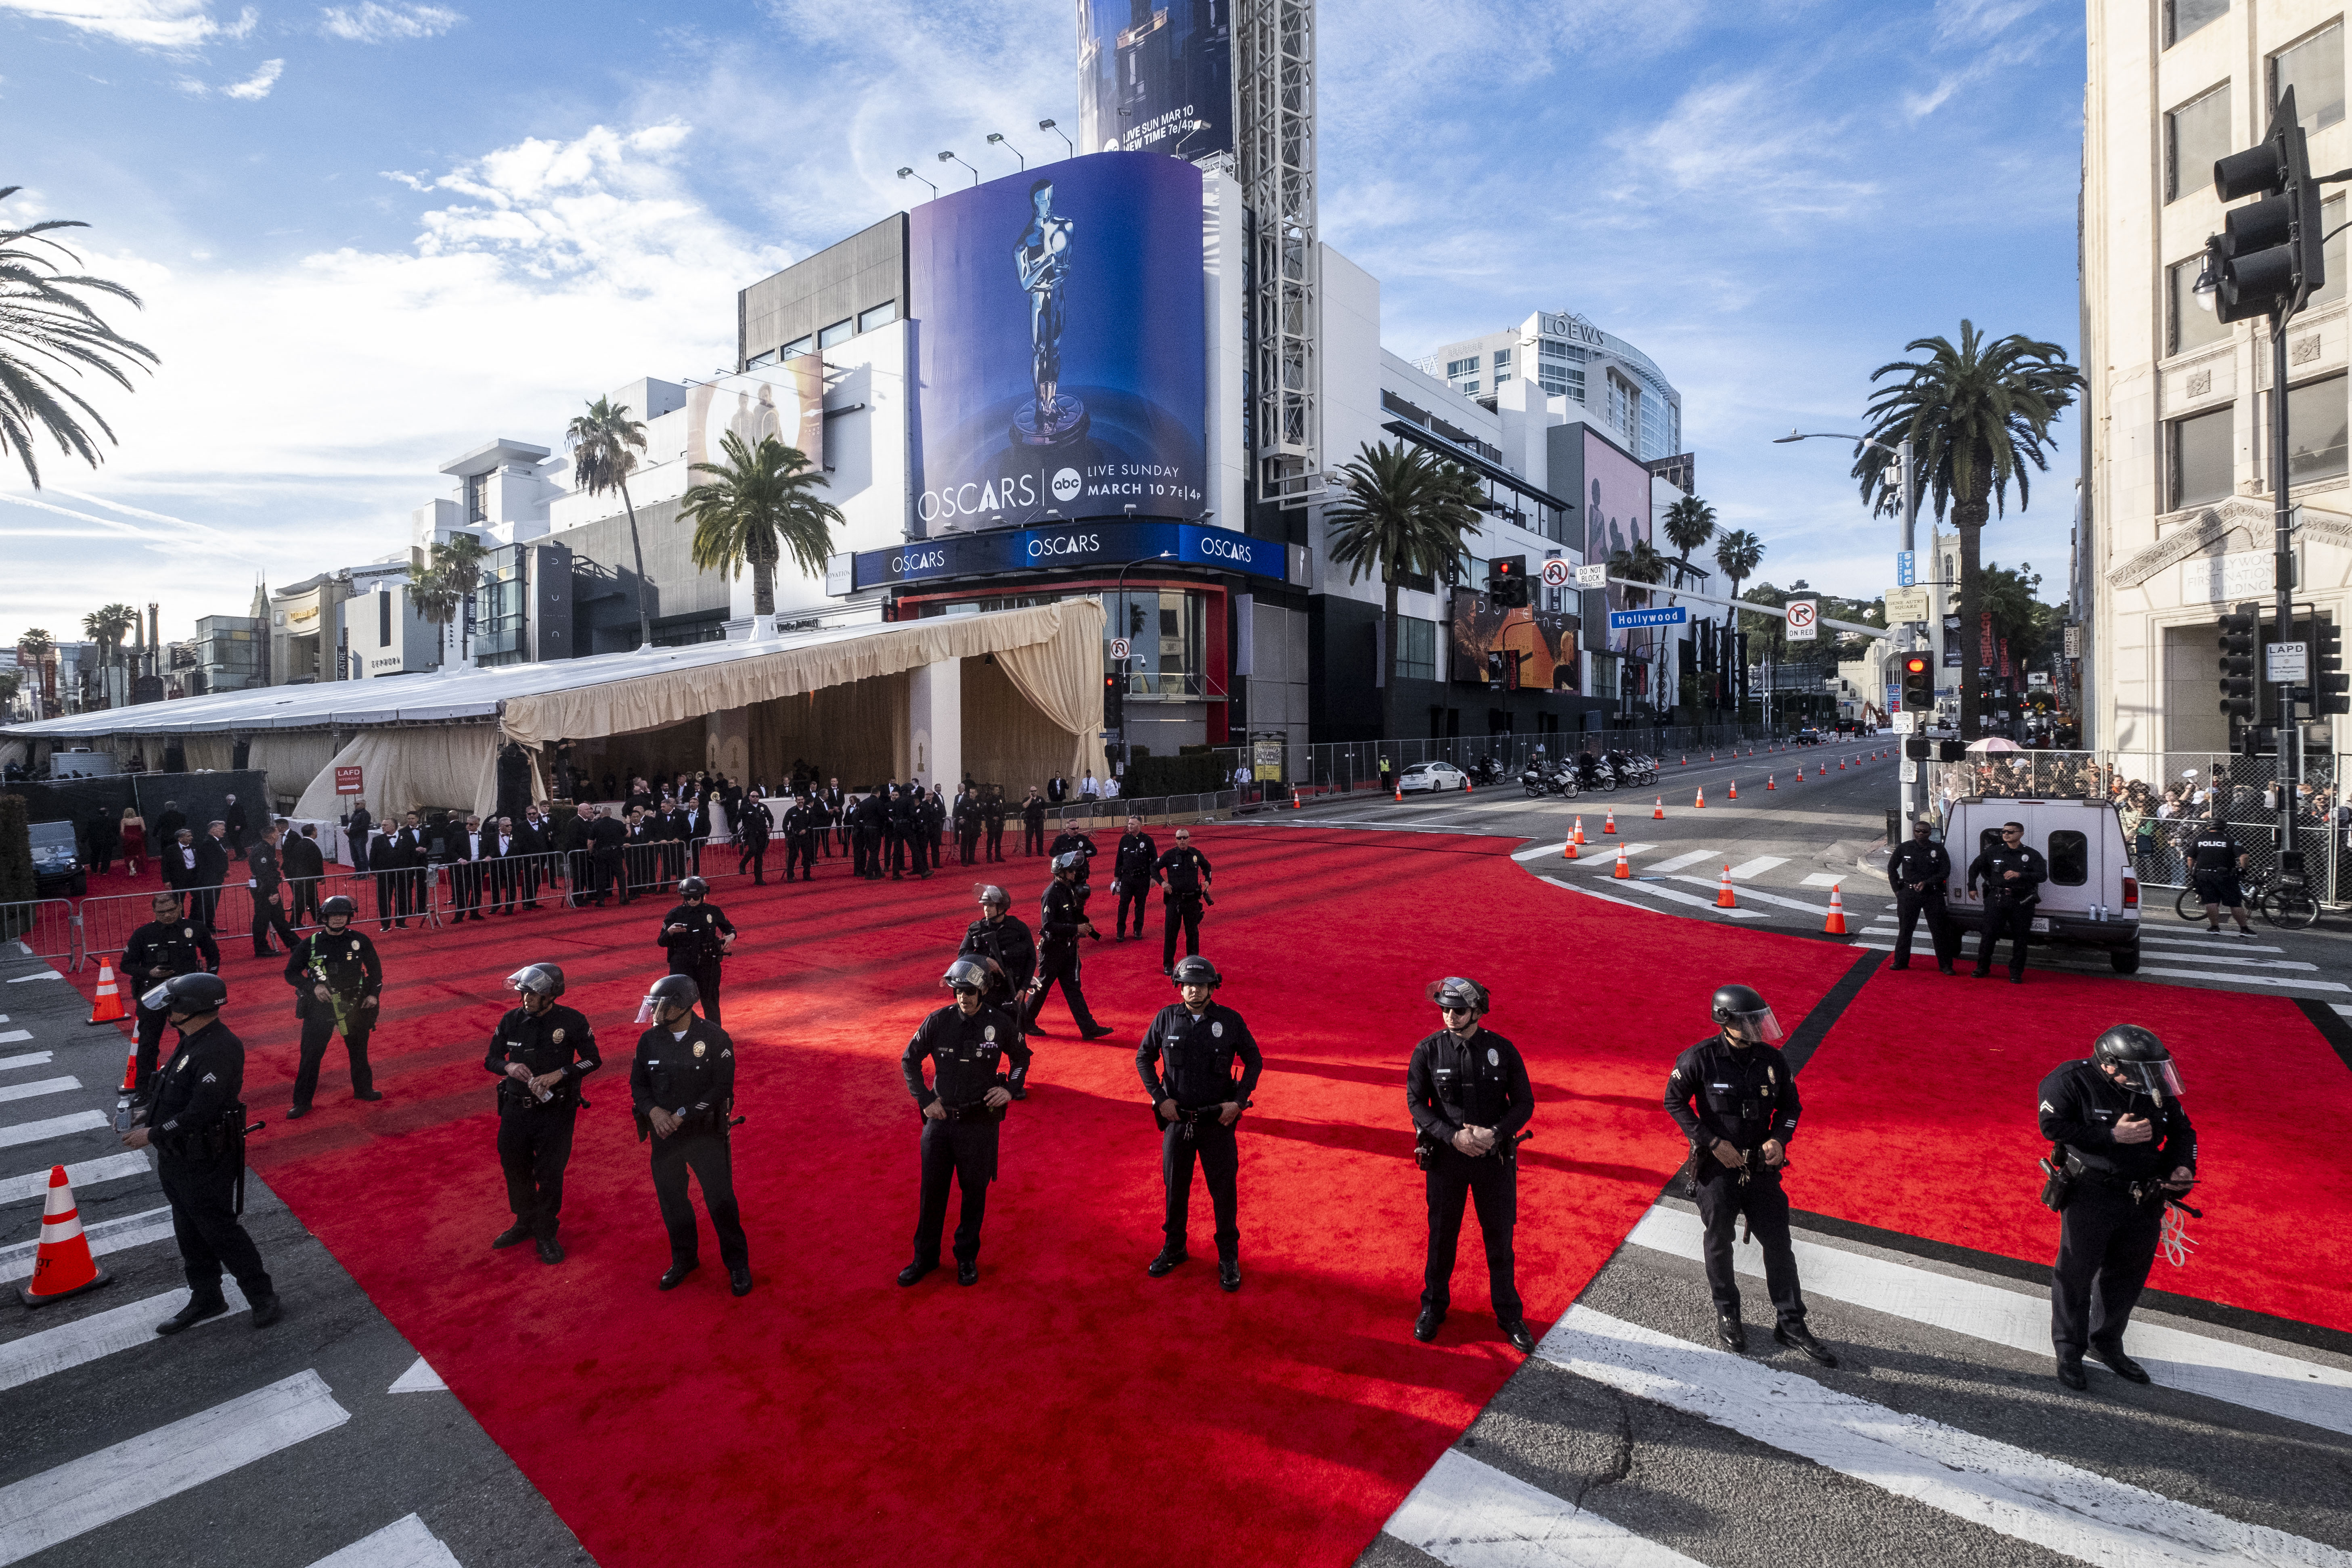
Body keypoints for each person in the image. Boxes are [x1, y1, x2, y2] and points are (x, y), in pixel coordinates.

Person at [1663, 983, 1836, 1365]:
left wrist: (1780, 1138)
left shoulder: (1772, 1061)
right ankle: (1728, 1312)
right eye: (1750, 1021)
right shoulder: (1699, 1058)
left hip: (1760, 1169)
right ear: (1725, 1021)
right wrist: (1709, 1141)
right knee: (1719, 1243)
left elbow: (1792, 1107)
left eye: (1761, 1019)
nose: (1759, 1027)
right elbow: (1673, 1100)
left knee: (1778, 1245)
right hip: (1717, 1169)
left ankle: (1790, 1323)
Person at [2038, 1025, 2198, 1391]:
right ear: (2108, 1065)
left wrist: (2183, 1167)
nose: (2148, 1080)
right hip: (2091, 1192)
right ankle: (2068, 1349)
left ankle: (2106, 1342)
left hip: (2145, 1194)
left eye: (2153, 1072)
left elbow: (2183, 1130)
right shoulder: (2069, 1080)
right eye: (2138, 1072)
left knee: (2126, 1275)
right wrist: (2111, 1135)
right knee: (2076, 1273)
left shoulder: (2153, 1082)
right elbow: (2052, 1126)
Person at [123, 972, 282, 1335]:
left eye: (173, 1005)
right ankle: (207, 1296)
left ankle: (261, 1295)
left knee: (220, 1230)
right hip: (178, 1157)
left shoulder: (218, 1048)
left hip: (206, 1158)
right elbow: (174, 1089)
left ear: (190, 1009)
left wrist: (153, 1132)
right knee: (188, 1231)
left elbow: (202, 1112)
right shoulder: (191, 1038)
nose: (168, 1011)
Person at [1406, 977, 1535, 1352]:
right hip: (1447, 1161)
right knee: (1441, 1238)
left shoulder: (1503, 1050)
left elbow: (1524, 1103)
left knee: (1500, 1240)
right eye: (1444, 1009)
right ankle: (1433, 1308)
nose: (1449, 1016)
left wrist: (1495, 1133)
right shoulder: (1427, 1051)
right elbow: (1416, 1103)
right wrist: (1453, 1137)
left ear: (1477, 1011)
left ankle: (1509, 1315)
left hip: (1492, 1161)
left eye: (1458, 1010)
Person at [898, 955, 1033, 1287]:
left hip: (979, 1124)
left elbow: (1021, 1059)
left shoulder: (999, 1023)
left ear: (983, 990)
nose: (963, 997)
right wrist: (926, 1101)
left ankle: (966, 1257)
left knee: (974, 1193)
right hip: (941, 1123)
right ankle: (925, 1258)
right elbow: (909, 1060)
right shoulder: (938, 1021)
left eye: (970, 991)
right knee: (932, 1193)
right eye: (959, 991)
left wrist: (1009, 1088)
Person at [1136, 956, 1262, 1292]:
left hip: (1216, 1124)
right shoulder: (1165, 1018)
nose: (1194, 990)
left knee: (1223, 1192)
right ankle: (1175, 1247)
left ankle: (1228, 1257)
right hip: (1178, 1123)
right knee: (1174, 1189)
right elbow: (1143, 1057)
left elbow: (1254, 1060)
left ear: (1212, 987)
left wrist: (1238, 1103)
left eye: (1201, 985)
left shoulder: (1229, 1021)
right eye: (1188, 985)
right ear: (1180, 987)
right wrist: (1159, 1097)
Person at [630, 975, 751, 1296]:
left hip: (704, 1135)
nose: (655, 1012)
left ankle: (737, 1263)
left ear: (682, 1005)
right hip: (664, 1136)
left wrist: (681, 1115)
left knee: (720, 1200)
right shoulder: (649, 1041)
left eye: (662, 1005)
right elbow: (639, 1085)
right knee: (673, 1201)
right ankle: (684, 1258)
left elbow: (721, 1088)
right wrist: (654, 1112)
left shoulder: (715, 1037)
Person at [484, 963, 600, 1265]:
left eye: (533, 994)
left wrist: (560, 1074)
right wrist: (508, 1067)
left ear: (551, 995)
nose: (525, 999)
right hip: (514, 1108)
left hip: (555, 1111)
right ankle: (525, 1221)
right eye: (524, 993)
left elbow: (593, 1060)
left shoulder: (573, 1021)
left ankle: (546, 1230)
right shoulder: (511, 1020)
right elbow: (492, 1059)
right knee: (514, 1165)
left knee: (549, 1172)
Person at [282, 895, 383, 1118]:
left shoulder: (361, 940)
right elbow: (290, 973)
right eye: (333, 915)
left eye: (343, 915)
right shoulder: (309, 944)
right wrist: (312, 988)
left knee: (359, 1051)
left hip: (354, 1003)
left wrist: (374, 995)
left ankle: (364, 1090)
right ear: (324, 917)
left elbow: (376, 971)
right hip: (321, 1006)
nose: (338, 919)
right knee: (311, 1056)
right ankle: (302, 1102)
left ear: (349, 917)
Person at [124, 892, 220, 1103]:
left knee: (191, 1041)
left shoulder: (194, 928)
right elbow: (126, 965)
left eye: (170, 911)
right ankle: (143, 1091)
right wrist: (150, 973)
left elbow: (213, 956)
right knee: (148, 1043)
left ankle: (190, 1084)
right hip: (154, 993)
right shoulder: (143, 934)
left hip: (186, 994)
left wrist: (208, 982)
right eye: (161, 912)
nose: (166, 915)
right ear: (154, 912)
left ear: (179, 908)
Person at [1025, 851, 1112, 1040]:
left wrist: (1081, 928)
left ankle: (1089, 1029)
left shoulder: (1067, 890)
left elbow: (1070, 917)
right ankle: (1024, 1021)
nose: (1075, 874)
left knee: (1073, 990)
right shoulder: (1051, 894)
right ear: (1060, 872)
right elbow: (1048, 925)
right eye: (1071, 871)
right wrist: (1076, 928)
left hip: (1068, 950)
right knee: (1042, 988)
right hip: (1054, 951)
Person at [1966, 820, 2047, 983]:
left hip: (2021, 901)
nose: (2006, 834)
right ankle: (1982, 968)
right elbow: (1975, 867)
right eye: (2004, 832)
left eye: (2011, 832)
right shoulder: (1994, 852)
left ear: (2021, 834)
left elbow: (2042, 876)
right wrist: (1972, 887)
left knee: (2021, 938)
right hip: (1997, 899)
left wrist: (2020, 875)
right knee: (1988, 935)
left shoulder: (2031, 855)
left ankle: (2016, 972)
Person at [658, 875, 737, 1026]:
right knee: (680, 999)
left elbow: (730, 928)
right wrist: (670, 932)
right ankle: (679, 1029)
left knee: (710, 999)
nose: (692, 900)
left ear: (703, 895)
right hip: (683, 962)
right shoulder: (675, 914)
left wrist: (731, 937)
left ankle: (714, 1031)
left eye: (696, 896)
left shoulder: (713, 911)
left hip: (708, 962)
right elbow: (661, 942)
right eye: (688, 897)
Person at [1885, 818, 1956, 973]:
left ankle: (1945, 966)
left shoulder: (1938, 849)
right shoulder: (1905, 848)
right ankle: (1900, 962)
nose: (1921, 834)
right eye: (1918, 831)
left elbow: (1945, 871)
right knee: (1905, 929)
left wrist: (1928, 882)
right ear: (1914, 832)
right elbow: (1892, 868)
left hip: (1932, 894)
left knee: (1939, 930)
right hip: (1909, 894)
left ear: (1930, 833)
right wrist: (1897, 890)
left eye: (1925, 832)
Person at [1153, 827, 1213, 976]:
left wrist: (1207, 882)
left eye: (1184, 838)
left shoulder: (1195, 854)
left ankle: (1193, 964)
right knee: (1171, 933)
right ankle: (1168, 965)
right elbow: (1153, 868)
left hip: (1192, 900)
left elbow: (1208, 867)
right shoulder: (1170, 855)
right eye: (1179, 838)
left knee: (1192, 934)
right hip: (1175, 900)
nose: (1182, 841)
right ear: (1175, 840)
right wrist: (1162, 883)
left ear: (1189, 839)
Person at [2185, 809, 2254, 936]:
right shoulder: (2230, 841)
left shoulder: (2199, 840)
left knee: (2211, 902)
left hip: (2205, 875)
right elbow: (2244, 856)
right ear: (2224, 828)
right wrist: (2244, 869)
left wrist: (2191, 872)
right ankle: (2244, 929)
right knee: (2234, 903)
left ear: (2208, 827)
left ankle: (2215, 927)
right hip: (2226, 875)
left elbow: (2190, 858)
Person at [245, 822, 299, 959]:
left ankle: (294, 943)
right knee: (262, 919)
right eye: (276, 832)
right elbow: (264, 873)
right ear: (271, 835)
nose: (278, 834)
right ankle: (262, 948)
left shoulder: (267, 848)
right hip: (264, 889)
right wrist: (271, 893)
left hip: (266, 887)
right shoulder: (262, 851)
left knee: (277, 917)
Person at [1111, 815, 1158, 941]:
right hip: (1127, 878)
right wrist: (1117, 877)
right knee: (1123, 905)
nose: (1130, 826)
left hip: (1142, 878)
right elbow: (1119, 859)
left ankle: (1138, 930)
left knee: (1140, 905)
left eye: (1133, 824)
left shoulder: (1147, 840)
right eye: (1129, 824)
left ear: (1140, 826)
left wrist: (1154, 877)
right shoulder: (1124, 839)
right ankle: (1120, 932)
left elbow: (1154, 860)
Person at [283, 823, 325, 929]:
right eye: (316, 830)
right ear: (313, 832)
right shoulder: (312, 846)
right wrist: (321, 877)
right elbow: (317, 863)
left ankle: (318, 918)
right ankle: (295, 922)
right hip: (308, 879)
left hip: (300, 878)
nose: (317, 832)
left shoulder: (299, 844)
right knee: (303, 901)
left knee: (311, 899)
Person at [192, 820, 231, 934]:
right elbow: (212, 862)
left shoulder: (215, 841)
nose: (224, 832)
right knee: (209, 903)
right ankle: (206, 926)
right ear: (213, 830)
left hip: (215, 878)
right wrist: (224, 870)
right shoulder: (209, 843)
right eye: (222, 830)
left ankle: (209, 925)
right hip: (209, 879)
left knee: (212, 903)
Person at [450, 814, 488, 923]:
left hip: (478, 867)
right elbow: (452, 850)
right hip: (464, 868)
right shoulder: (459, 835)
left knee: (477, 892)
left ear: (478, 825)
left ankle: (474, 913)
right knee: (463, 892)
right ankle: (459, 916)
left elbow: (488, 849)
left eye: (471, 824)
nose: (468, 826)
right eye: (467, 823)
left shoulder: (484, 836)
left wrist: (488, 857)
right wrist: (460, 859)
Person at [737, 793, 772, 884]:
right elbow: (737, 819)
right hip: (751, 833)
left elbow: (770, 818)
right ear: (750, 798)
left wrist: (771, 827)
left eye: (757, 797)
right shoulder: (745, 808)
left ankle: (759, 879)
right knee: (753, 850)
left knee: (759, 857)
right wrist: (733, 831)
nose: (755, 798)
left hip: (762, 834)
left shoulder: (763, 807)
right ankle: (743, 864)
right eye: (753, 796)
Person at [955, 786, 984, 867]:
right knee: (964, 844)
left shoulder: (978, 802)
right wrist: (959, 819)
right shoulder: (964, 801)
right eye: (970, 793)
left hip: (975, 825)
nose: (971, 794)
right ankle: (964, 860)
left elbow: (980, 814)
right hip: (966, 825)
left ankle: (971, 859)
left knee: (973, 843)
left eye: (973, 793)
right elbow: (957, 811)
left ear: (976, 794)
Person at [982, 787, 1007, 863]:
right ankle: (989, 857)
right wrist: (992, 817)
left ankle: (998, 856)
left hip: (999, 823)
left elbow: (1003, 810)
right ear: (993, 791)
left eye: (998, 790)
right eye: (996, 790)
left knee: (998, 841)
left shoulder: (1001, 800)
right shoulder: (989, 800)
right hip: (991, 823)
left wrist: (1002, 819)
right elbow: (985, 811)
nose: (998, 791)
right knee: (990, 840)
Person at [1021, 787, 1047, 857]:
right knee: (1029, 837)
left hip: (1039, 821)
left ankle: (1040, 852)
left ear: (1037, 791)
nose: (1034, 792)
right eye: (1032, 791)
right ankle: (1028, 852)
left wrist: (1045, 817)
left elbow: (1045, 809)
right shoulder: (1027, 799)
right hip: (1030, 821)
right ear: (1030, 792)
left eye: (1035, 791)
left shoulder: (1041, 799)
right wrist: (1031, 798)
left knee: (1040, 836)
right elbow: (1025, 806)